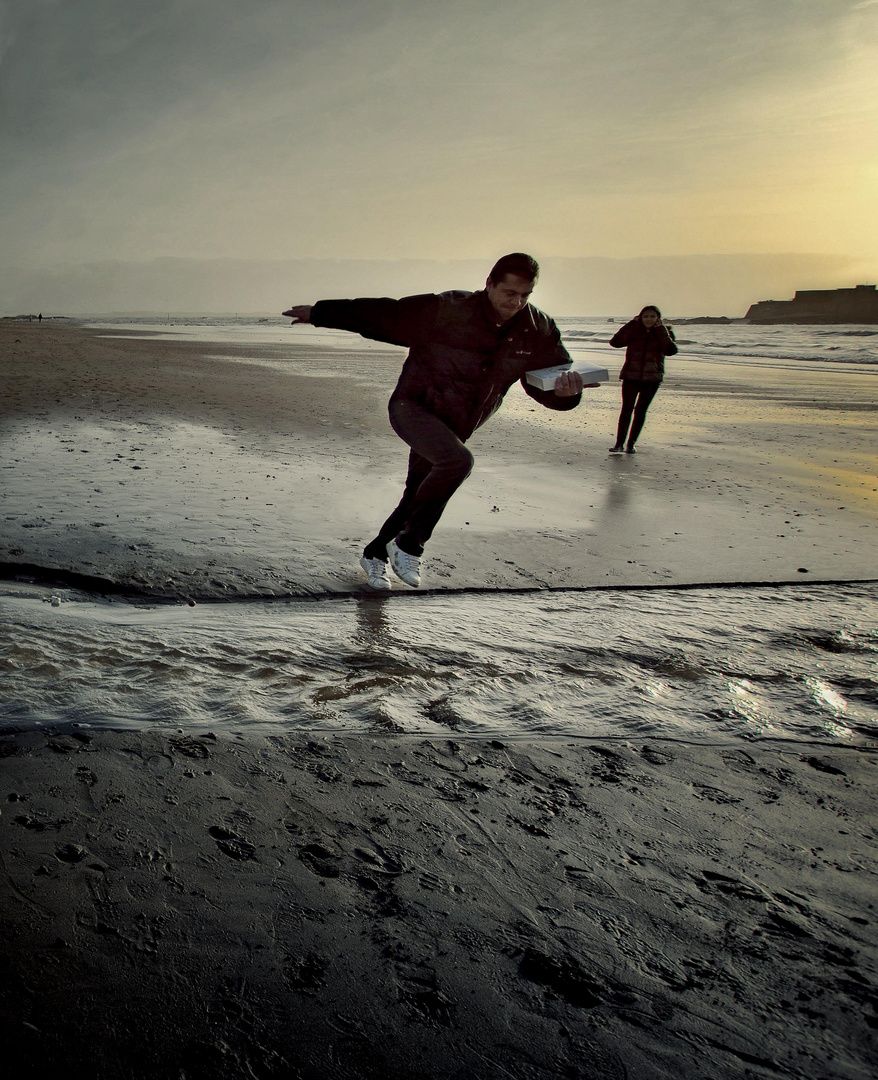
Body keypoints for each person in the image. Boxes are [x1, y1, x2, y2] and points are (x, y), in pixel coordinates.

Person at [282, 253, 594, 590]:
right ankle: (408, 545)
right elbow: (387, 315)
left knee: (419, 492)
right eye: (509, 293)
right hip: (413, 406)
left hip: (460, 421)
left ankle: (375, 555)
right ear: (489, 284)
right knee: (457, 461)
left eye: (525, 295)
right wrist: (321, 313)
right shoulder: (449, 309)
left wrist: (566, 395)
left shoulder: (538, 329)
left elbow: (547, 380)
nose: (517, 302)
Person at [608, 305, 677, 454]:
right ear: (641, 318)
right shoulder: (634, 331)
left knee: (641, 411)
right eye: (646, 316)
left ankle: (631, 444)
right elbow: (615, 342)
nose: (649, 319)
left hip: (652, 379)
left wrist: (661, 331)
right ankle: (619, 444)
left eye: (652, 316)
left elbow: (670, 350)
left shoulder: (664, 333)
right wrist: (631, 324)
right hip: (631, 377)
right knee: (626, 410)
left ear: (658, 319)